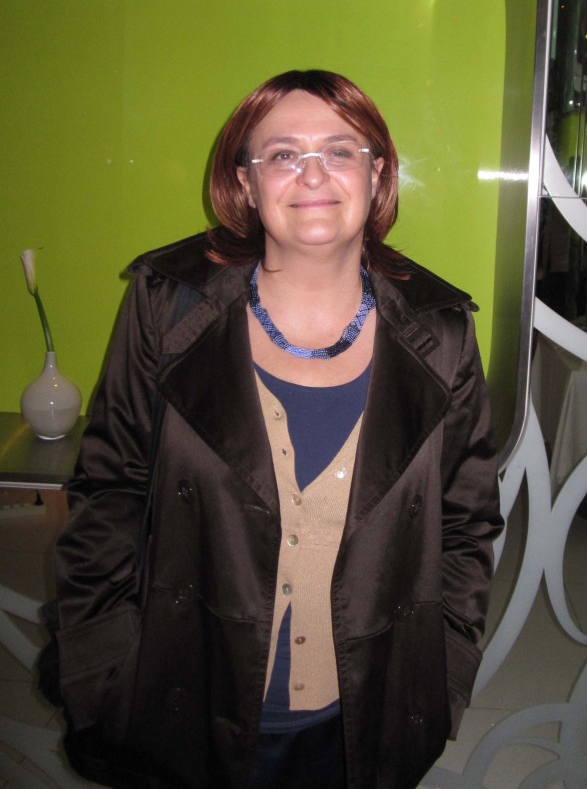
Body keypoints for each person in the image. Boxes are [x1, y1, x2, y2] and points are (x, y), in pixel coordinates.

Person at [54, 69, 503, 789]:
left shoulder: (441, 332)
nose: (313, 174)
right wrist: (104, 668)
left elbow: (466, 523)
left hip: (364, 713)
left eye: (340, 150)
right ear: (247, 179)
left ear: (376, 173)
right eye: (284, 153)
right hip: (184, 699)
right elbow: (110, 491)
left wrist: (443, 673)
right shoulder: (167, 306)